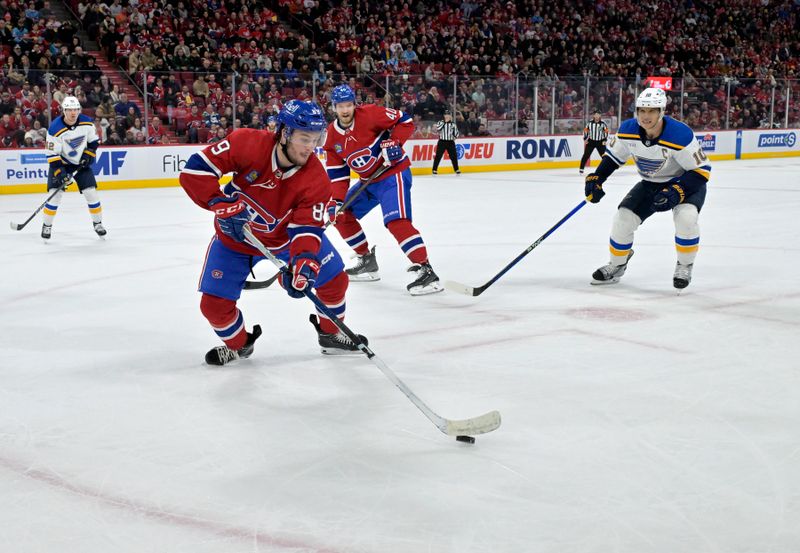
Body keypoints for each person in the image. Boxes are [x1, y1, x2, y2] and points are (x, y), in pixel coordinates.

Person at [179, 100, 367, 366]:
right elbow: (195, 169)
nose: (311, 147)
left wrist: (303, 263)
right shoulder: (247, 142)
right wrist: (219, 204)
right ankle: (240, 344)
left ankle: (330, 334)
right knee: (213, 307)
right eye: (304, 138)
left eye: (316, 139)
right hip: (234, 240)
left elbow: (307, 227)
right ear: (284, 133)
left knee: (334, 281)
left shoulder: (316, 179)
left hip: (285, 240)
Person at [584, 88, 711, 289]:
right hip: (650, 183)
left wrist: (676, 191)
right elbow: (613, 158)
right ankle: (617, 265)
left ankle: (685, 265)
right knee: (622, 219)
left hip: (685, 184)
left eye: (651, 111)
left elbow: (702, 171)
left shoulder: (680, 134)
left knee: (686, 219)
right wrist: (596, 177)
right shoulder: (628, 130)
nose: (645, 116)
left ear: (662, 111)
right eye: (642, 110)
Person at [323, 84, 443, 295]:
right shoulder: (332, 135)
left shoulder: (370, 114)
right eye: (340, 106)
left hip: (392, 174)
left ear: (354, 104)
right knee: (341, 215)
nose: (345, 110)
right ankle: (367, 261)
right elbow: (338, 175)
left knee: (396, 223)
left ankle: (427, 270)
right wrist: (336, 201)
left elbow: (404, 120)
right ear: (334, 107)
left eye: (348, 105)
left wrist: (393, 143)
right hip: (368, 180)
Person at [42, 96, 106, 240]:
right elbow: (52, 155)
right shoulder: (54, 128)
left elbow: (94, 142)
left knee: (91, 193)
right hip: (60, 163)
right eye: (70, 110)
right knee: (54, 196)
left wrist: (88, 155)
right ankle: (47, 225)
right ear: (64, 111)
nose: (73, 113)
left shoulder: (87, 123)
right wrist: (61, 173)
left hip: (80, 164)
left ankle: (98, 224)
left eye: (76, 109)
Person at [579, 110, 608, 174]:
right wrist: (585, 138)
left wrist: (604, 140)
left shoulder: (603, 124)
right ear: (594, 116)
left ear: (600, 116)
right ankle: (581, 168)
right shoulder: (589, 123)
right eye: (596, 114)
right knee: (586, 155)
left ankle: (606, 169)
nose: (597, 116)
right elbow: (585, 131)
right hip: (591, 142)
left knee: (604, 157)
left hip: (600, 142)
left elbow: (606, 132)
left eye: (598, 115)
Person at [432, 110, 460, 175]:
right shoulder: (440, 122)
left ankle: (456, 169)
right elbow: (438, 129)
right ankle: (434, 169)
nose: (447, 116)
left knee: (454, 156)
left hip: (450, 142)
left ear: (450, 116)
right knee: (438, 156)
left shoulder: (453, 124)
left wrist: (455, 137)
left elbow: (456, 133)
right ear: (444, 116)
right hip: (442, 141)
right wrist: (445, 122)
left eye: (448, 115)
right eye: (446, 114)